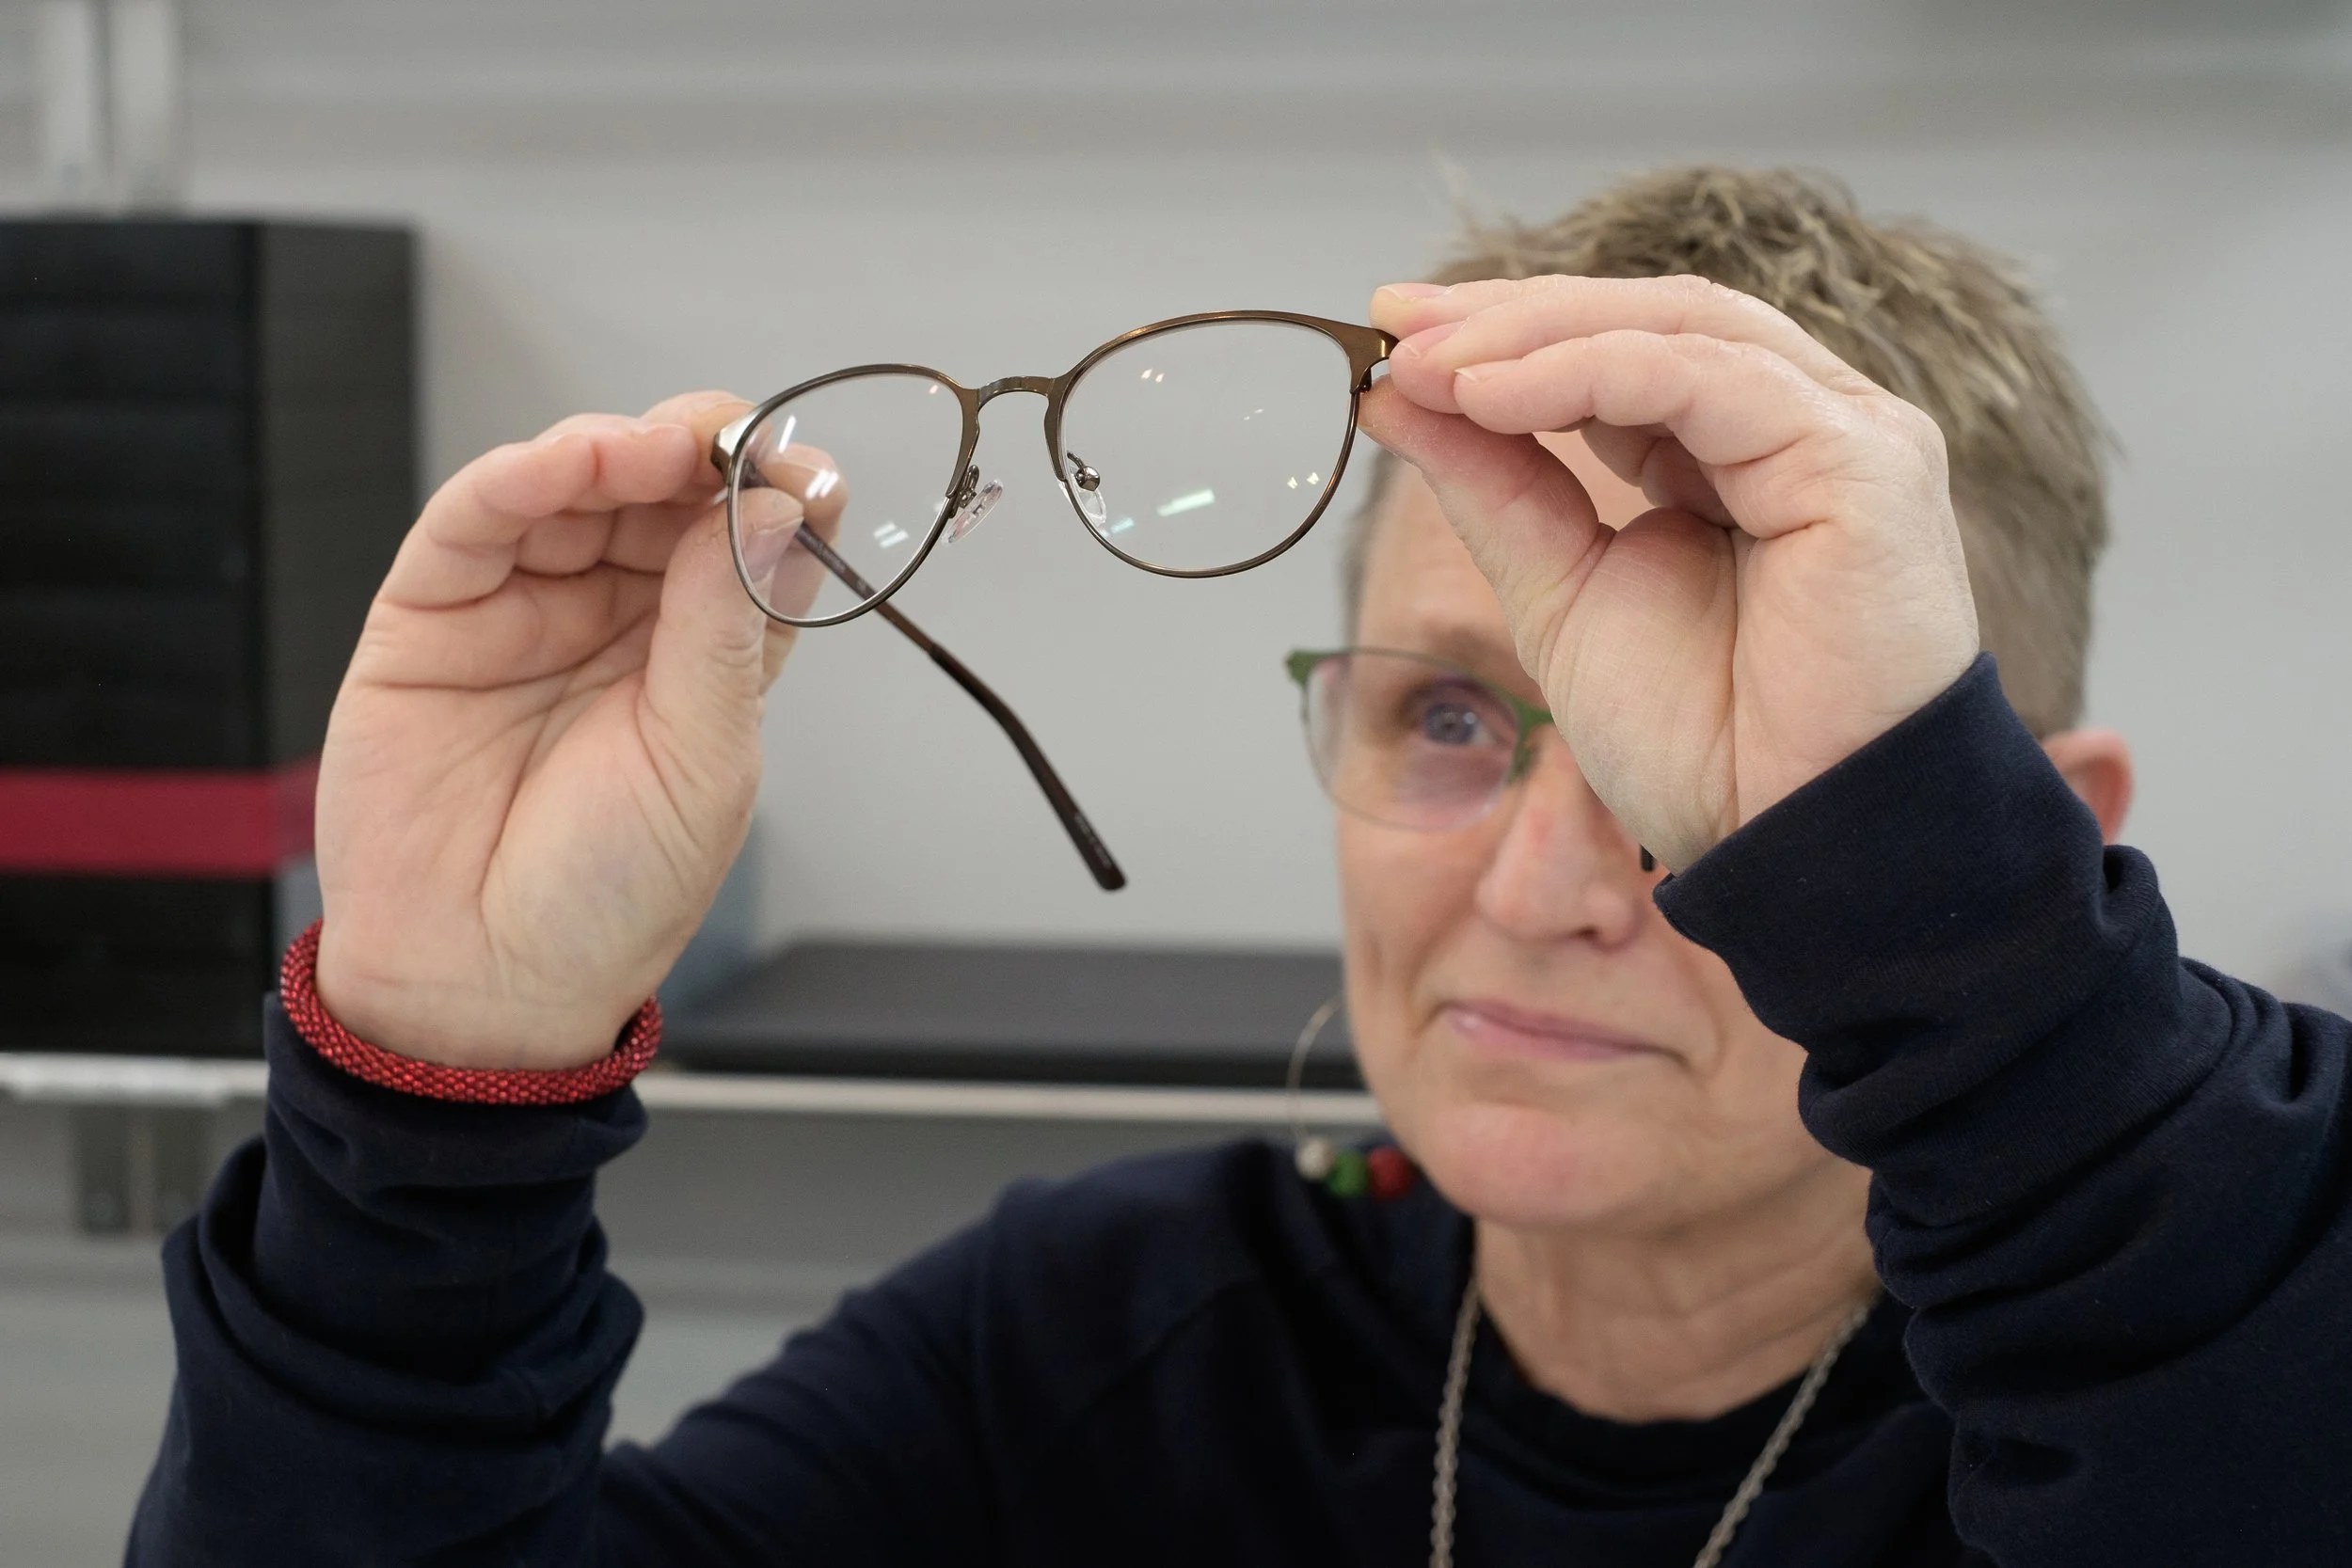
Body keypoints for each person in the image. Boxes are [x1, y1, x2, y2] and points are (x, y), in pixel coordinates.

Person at [129, 168, 2351, 1565]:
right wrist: (435, 1082)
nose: (1541, 883)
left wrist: (1975, 963)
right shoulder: (1100, 1341)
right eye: (1448, 718)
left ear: (2025, 836)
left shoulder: (2185, 1359)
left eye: (1709, 784)